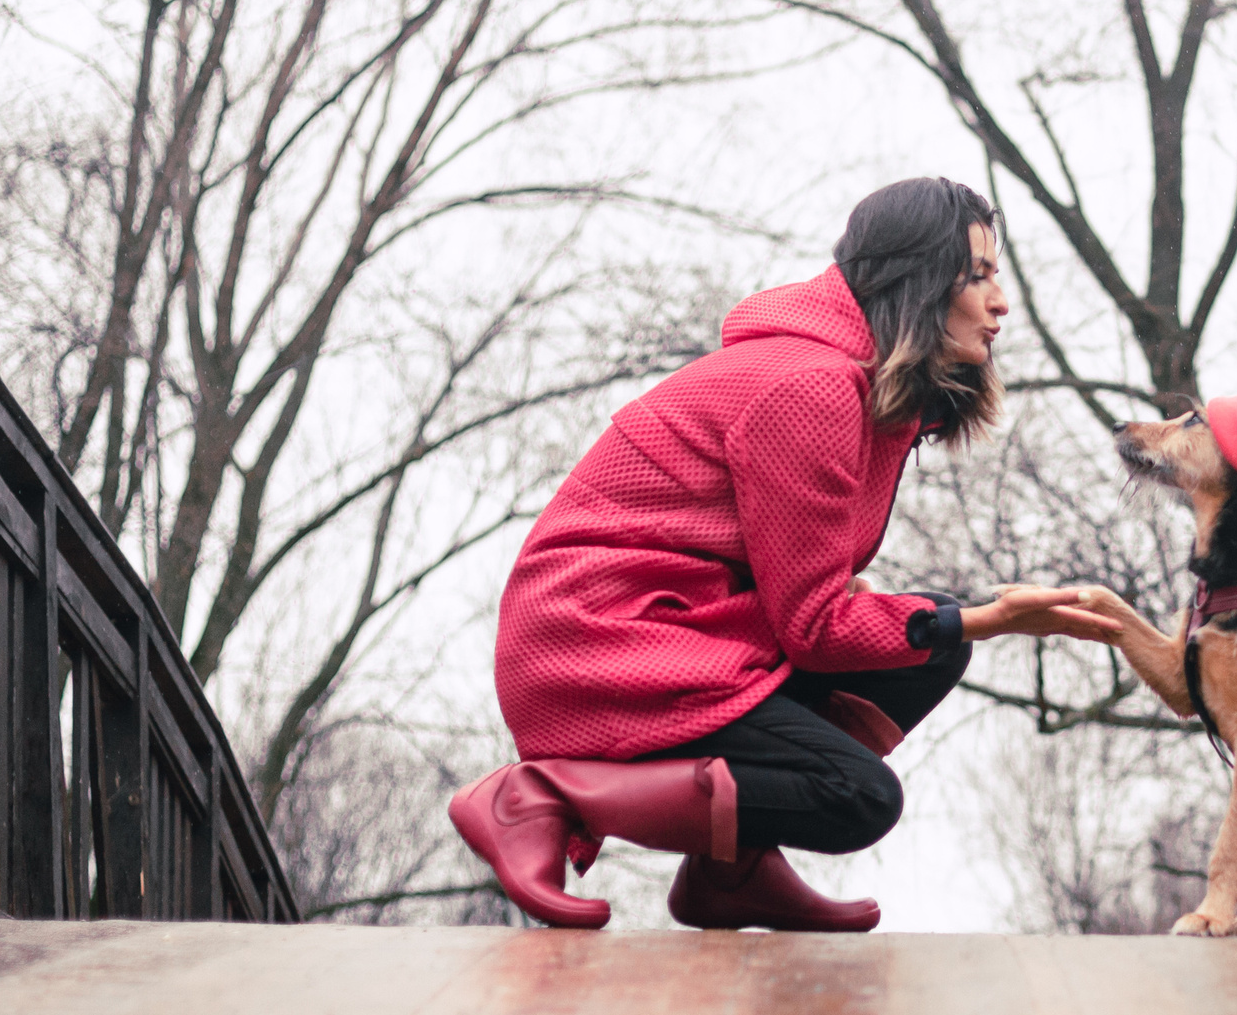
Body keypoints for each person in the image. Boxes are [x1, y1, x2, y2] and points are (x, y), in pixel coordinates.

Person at [449, 177, 1118, 930]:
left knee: (927, 645)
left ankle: (730, 871)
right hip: (596, 641)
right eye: (978, 276)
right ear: (919, 279)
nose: (1000, 303)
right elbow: (814, 630)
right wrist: (989, 618)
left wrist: (943, 623)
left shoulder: (851, 386)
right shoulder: (811, 387)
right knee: (856, 795)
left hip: (682, 629)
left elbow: (800, 592)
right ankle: (537, 797)